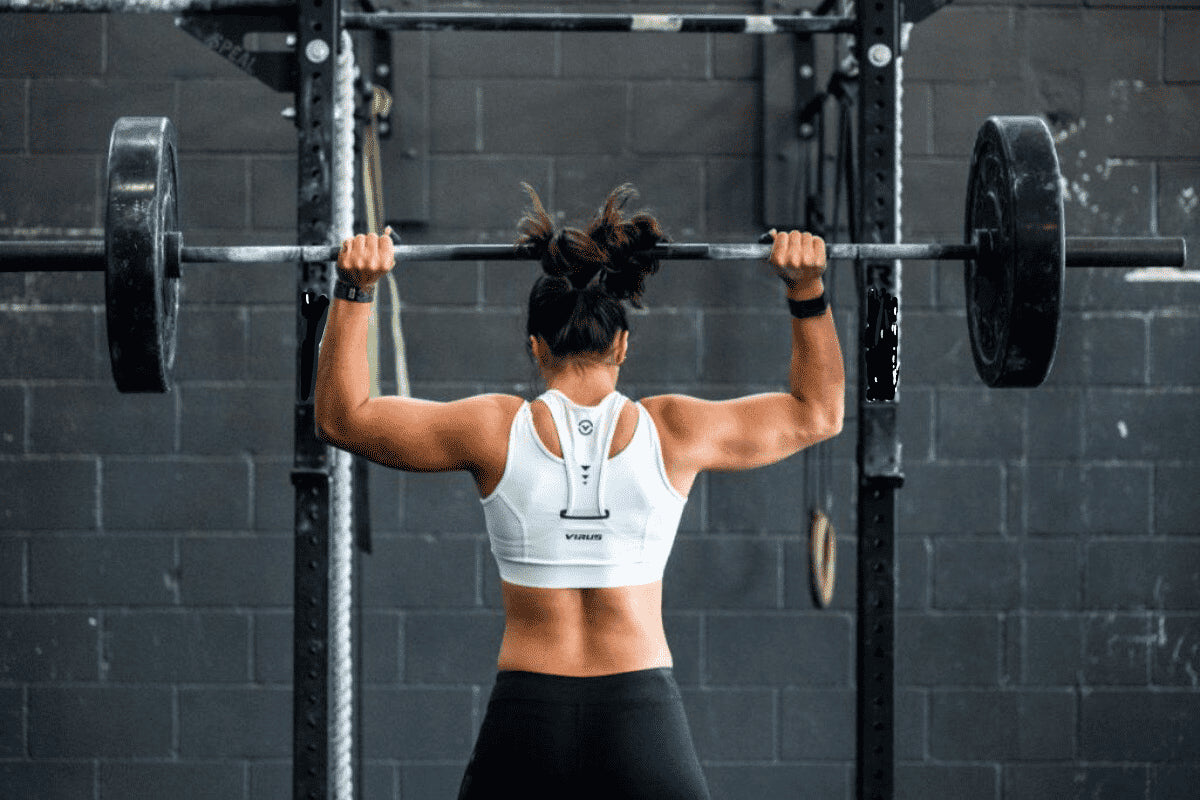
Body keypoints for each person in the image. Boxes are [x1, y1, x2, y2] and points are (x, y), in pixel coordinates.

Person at [314, 184, 845, 800]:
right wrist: (807, 292)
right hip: (642, 714)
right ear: (623, 343)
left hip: (527, 715)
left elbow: (340, 418)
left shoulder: (493, 430)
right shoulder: (674, 430)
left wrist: (355, 291)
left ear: (534, 346)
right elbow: (820, 412)